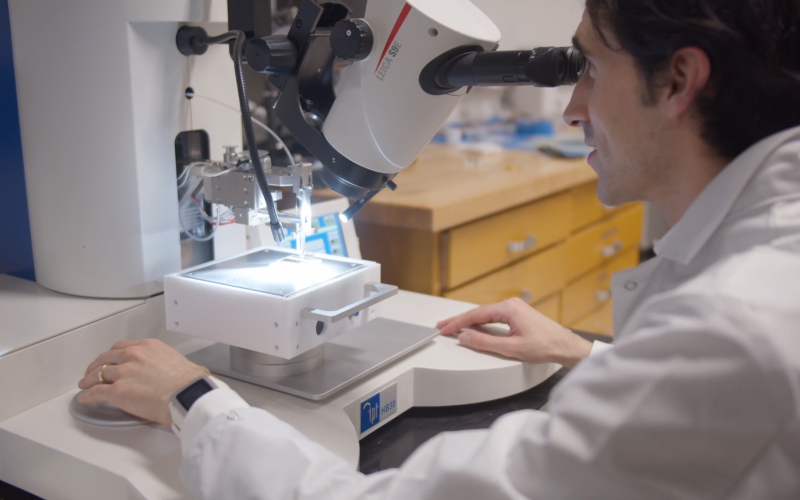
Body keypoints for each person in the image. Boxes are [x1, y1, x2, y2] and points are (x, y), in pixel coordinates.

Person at [78, 1, 800, 498]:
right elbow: (718, 416)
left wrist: (194, 399)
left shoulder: (733, 329)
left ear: (678, 80)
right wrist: (594, 358)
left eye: (588, 69)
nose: (574, 107)